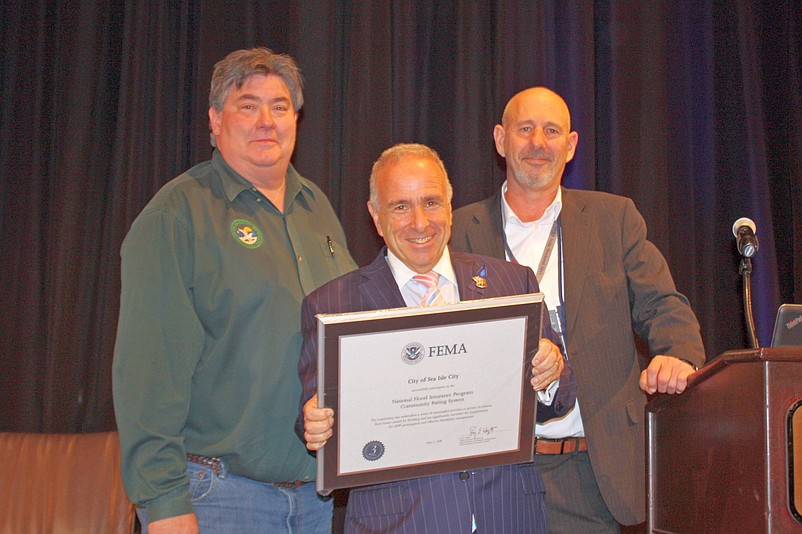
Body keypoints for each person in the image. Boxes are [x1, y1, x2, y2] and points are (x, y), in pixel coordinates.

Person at [112, 47, 357, 533]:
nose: (266, 120)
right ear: (215, 119)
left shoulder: (318, 210)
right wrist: (162, 505)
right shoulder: (176, 217)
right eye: (248, 105)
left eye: (280, 106)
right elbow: (147, 377)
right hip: (218, 498)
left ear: (296, 119)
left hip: (316, 501)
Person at [450, 87, 706, 532]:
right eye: (525, 129)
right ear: (500, 139)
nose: (538, 143)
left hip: (592, 470)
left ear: (570, 146)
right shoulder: (457, 231)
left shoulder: (614, 219)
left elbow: (663, 303)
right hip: (492, 475)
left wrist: (678, 354)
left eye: (552, 131)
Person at [297, 143, 576, 533]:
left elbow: (558, 398)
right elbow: (311, 414)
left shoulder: (512, 283)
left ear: (449, 206)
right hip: (398, 523)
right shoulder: (333, 304)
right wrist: (315, 421)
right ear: (376, 216)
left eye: (430, 202)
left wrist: (549, 372)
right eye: (400, 206)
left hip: (509, 516)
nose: (420, 222)